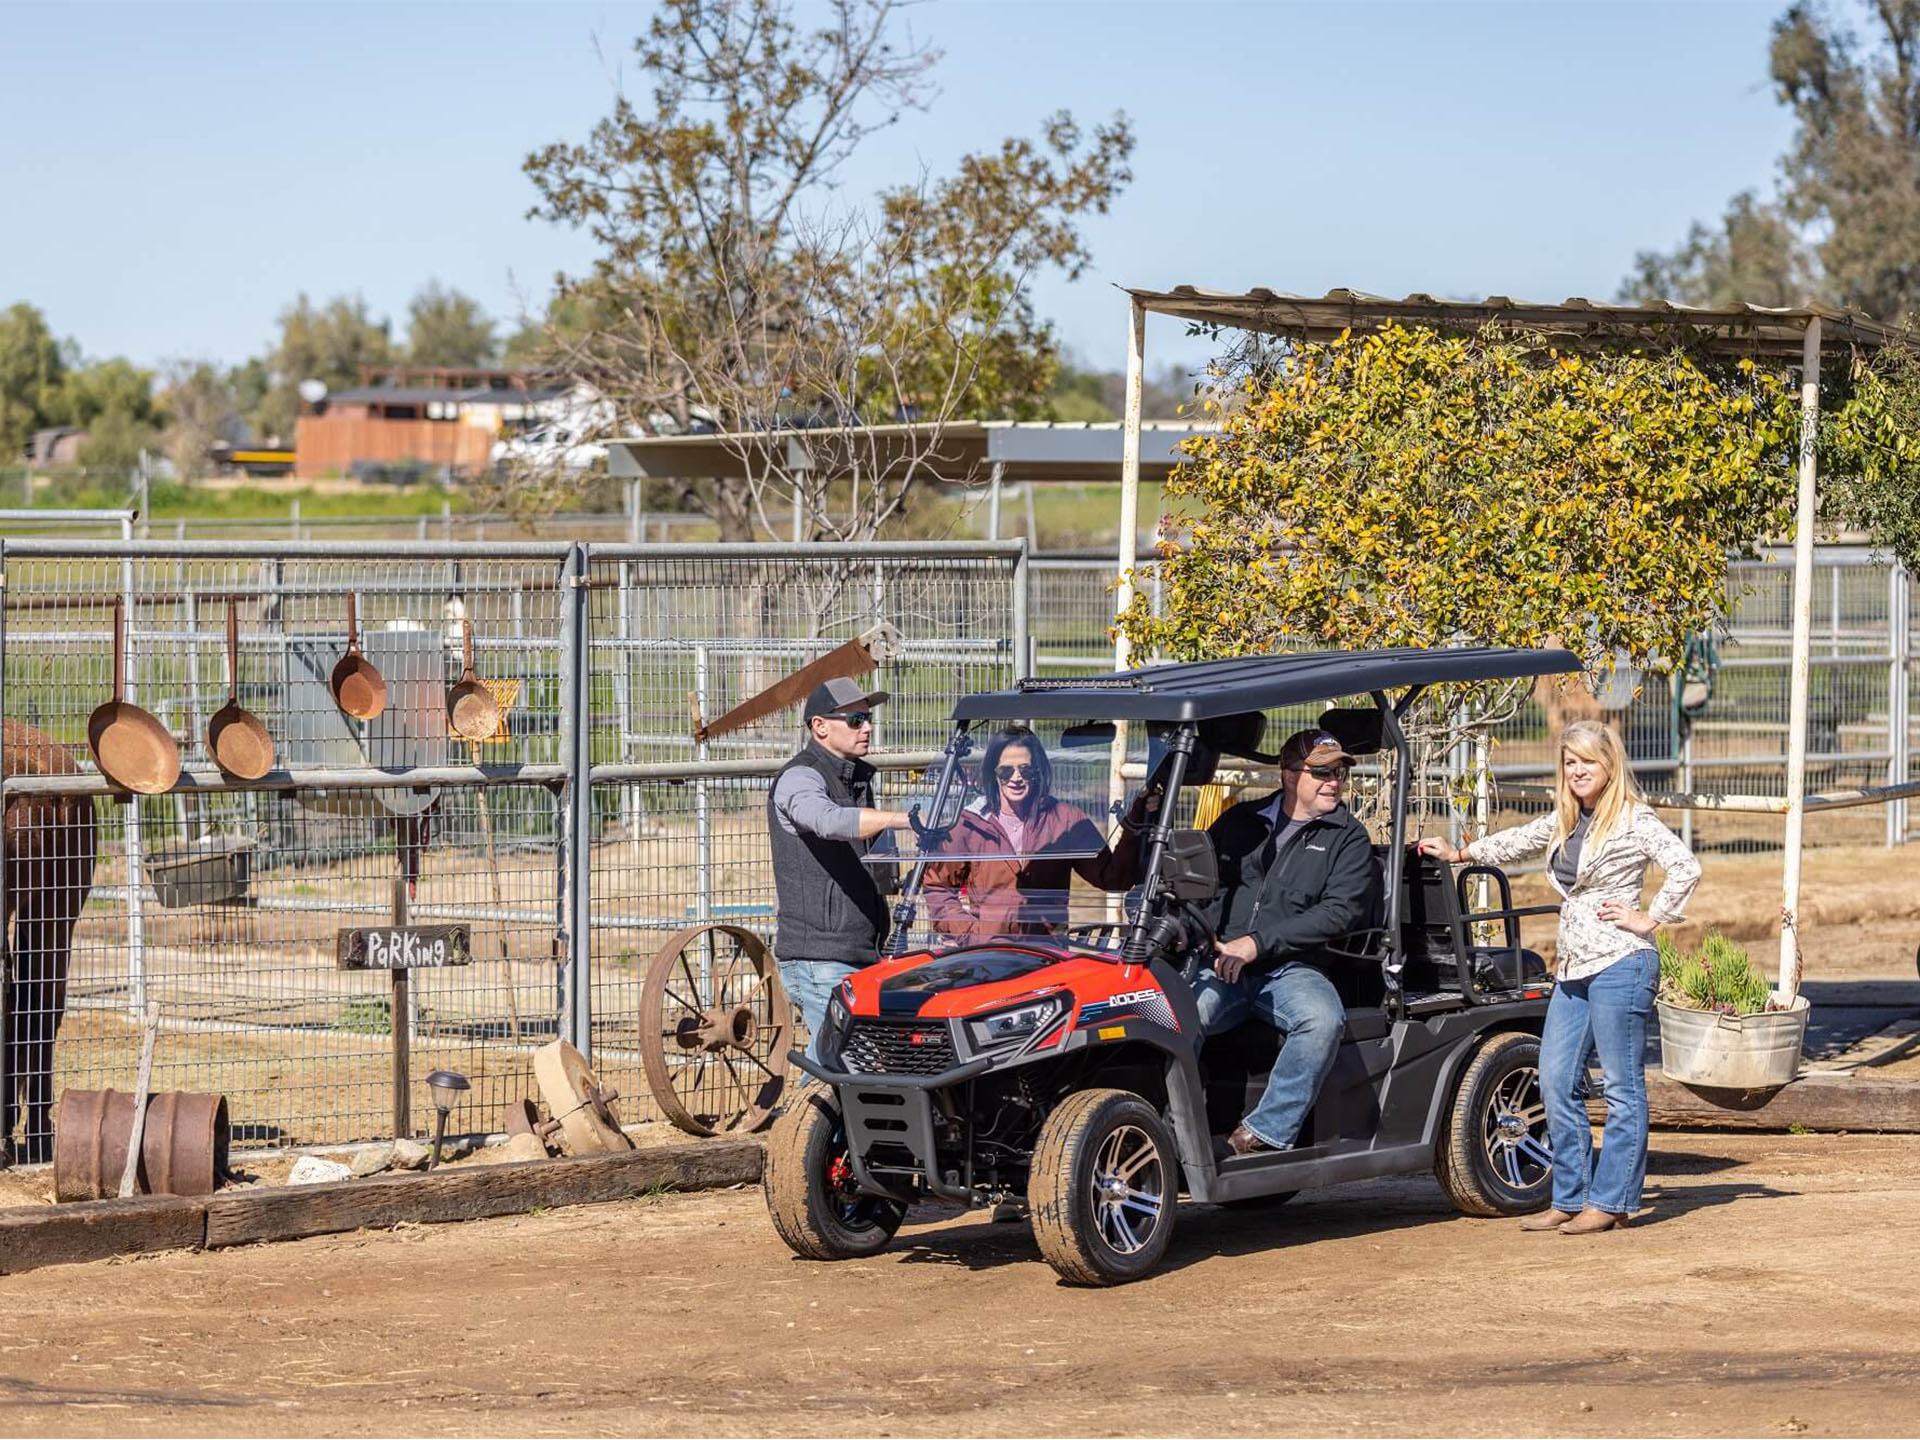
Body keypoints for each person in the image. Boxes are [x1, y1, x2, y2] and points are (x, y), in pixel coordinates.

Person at [1418, 718, 1700, 1235]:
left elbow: (1685, 867)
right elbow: (1517, 841)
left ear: (1609, 765)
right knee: (1555, 1079)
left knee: (1621, 1089)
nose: (1576, 771)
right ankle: (1569, 1196)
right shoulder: (1567, 820)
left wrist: (1651, 918)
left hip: (1622, 963)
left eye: (1587, 761)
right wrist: (1459, 853)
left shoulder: (1635, 819)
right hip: (1572, 968)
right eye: (1569, 762)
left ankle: (1612, 1201)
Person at [1197, 728, 1383, 1156]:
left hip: (1293, 967)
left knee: (1321, 1020)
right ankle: (1168, 1124)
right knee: (1176, 1017)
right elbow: (1205, 886)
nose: (1333, 781)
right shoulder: (1241, 822)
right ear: (1288, 775)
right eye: (1321, 772)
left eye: (1338, 772)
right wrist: (1216, 940)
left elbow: (1339, 912)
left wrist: (1257, 944)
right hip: (1223, 962)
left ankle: (1264, 1132)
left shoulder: (1347, 836)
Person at [768, 677, 918, 1060]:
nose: (866, 727)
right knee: (838, 1070)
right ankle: (809, 1122)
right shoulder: (800, 778)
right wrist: (904, 819)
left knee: (845, 1069)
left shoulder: (854, 777)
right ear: (820, 727)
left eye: (867, 718)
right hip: (820, 959)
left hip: (859, 954)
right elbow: (827, 821)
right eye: (854, 719)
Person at [921, 726, 1142, 941]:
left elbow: (1114, 878)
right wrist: (970, 933)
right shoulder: (971, 823)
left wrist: (1134, 823)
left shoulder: (1065, 820)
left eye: (1025, 769)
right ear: (993, 773)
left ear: (1038, 771)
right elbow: (937, 886)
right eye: (1006, 771)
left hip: (1046, 954)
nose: (1016, 778)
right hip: (989, 955)